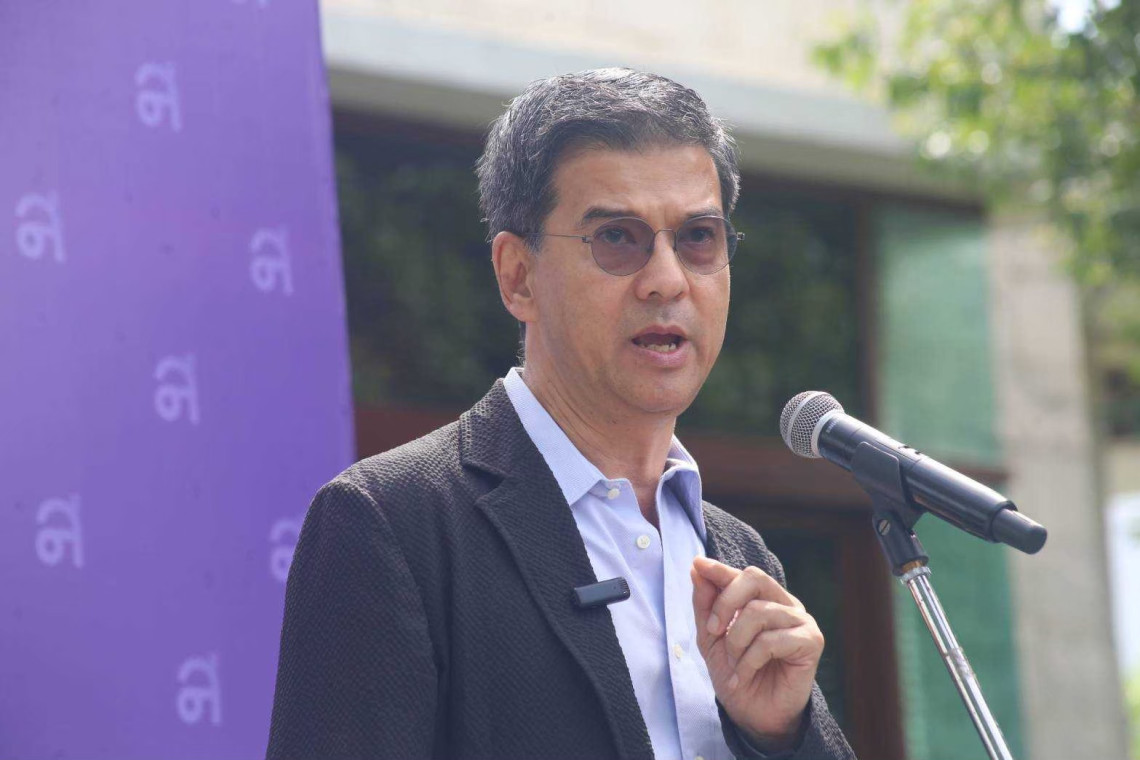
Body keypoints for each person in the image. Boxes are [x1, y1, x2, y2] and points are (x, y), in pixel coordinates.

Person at [266, 68, 855, 760]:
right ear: (518, 276)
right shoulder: (393, 522)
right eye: (618, 238)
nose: (667, 279)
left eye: (698, 237)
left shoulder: (742, 555)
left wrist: (780, 737)